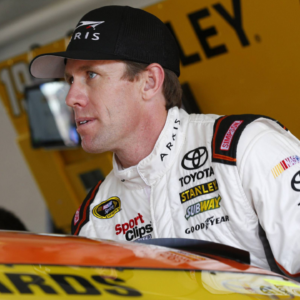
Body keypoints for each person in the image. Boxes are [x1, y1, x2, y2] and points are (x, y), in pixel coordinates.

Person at [29, 5, 300, 280]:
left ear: (149, 82)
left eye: (91, 75)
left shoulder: (245, 148)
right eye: (69, 80)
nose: (71, 97)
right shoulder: (94, 217)